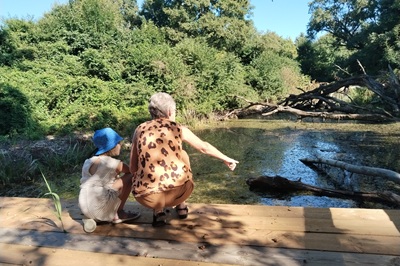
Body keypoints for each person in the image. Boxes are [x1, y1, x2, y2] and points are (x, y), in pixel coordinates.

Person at [129, 92, 238, 227]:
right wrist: (226, 159)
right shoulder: (178, 128)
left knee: (145, 161)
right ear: (169, 112)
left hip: (146, 198)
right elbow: (204, 147)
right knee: (184, 154)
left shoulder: (139, 130)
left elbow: (132, 168)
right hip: (178, 193)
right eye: (174, 111)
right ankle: (181, 206)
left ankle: (158, 212)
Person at [79, 127, 140, 233]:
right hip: (99, 208)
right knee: (130, 176)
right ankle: (118, 213)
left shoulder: (88, 161)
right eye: (118, 143)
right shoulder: (112, 163)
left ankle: (97, 215)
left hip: (84, 206)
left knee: (103, 185)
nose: (120, 145)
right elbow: (131, 170)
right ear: (112, 146)